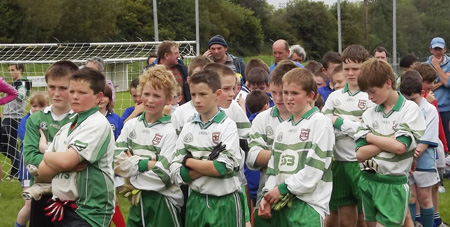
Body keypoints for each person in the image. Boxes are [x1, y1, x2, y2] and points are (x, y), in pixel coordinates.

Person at [32, 67, 115, 226]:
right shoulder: (66, 127)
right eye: (72, 91)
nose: (75, 97)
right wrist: (58, 161)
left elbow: (65, 162)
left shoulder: (97, 124)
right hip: (62, 206)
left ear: (98, 97)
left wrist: (48, 155)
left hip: (89, 211)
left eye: (82, 93)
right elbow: (42, 172)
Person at [258, 68, 334, 226]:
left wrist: (283, 188)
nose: (288, 98)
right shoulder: (282, 127)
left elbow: (314, 169)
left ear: (310, 96)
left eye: (295, 93)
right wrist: (267, 195)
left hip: (308, 206)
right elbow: (273, 169)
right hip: (279, 204)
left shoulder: (320, 122)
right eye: (285, 92)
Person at [355, 58, 426, 227]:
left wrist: (370, 137)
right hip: (367, 179)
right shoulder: (369, 113)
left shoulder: (409, 110)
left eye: (373, 92)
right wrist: (389, 140)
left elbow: (400, 147)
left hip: (392, 184)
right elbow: (360, 154)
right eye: (367, 93)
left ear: (388, 83)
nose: (370, 97)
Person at [170, 69, 243, 227]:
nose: (197, 100)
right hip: (196, 200)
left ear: (217, 94)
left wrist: (188, 161)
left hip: (225, 201)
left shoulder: (228, 125)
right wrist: (207, 163)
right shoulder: (188, 127)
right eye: (193, 94)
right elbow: (175, 172)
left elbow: (221, 168)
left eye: (202, 94)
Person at [114, 65, 182, 227]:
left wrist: (133, 166)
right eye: (146, 94)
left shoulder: (171, 131)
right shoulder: (131, 126)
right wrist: (148, 163)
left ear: (168, 99)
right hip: (137, 202)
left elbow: (164, 176)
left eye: (156, 96)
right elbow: (115, 162)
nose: (150, 100)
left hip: (163, 202)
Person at [23, 61, 78, 227]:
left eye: (63, 88)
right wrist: (67, 162)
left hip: (74, 196)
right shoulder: (35, 119)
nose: (56, 93)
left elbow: (84, 162)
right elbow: (32, 161)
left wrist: (46, 152)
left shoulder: (83, 120)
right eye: (51, 87)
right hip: (42, 195)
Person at [322, 44, 372, 227]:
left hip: (363, 163)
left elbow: (366, 130)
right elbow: (324, 124)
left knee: (367, 216)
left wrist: (339, 121)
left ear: (365, 67)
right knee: (345, 219)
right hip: (340, 163)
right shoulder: (334, 97)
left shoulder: (370, 95)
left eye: (355, 69)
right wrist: (352, 126)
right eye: (347, 69)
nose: (350, 73)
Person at [247, 60, 299, 227]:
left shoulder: (313, 120)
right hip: (267, 196)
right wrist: (293, 156)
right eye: (274, 92)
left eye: (283, 92)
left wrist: (269, 157)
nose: (278, 98)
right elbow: (253, 158)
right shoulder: (262, 119)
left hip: (301, 198)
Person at [400, 70, 439, 227]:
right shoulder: (402, 109)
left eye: (414, 100)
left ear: (422, 93)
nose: (410, 104)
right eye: (406, 100)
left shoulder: (430, 110)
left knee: (424, 198)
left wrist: (413, 157)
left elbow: (427, 138)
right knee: (410, 198)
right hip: (404, 161)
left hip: (424, 161)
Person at [15, 92, 48, 227]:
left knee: (42, 202)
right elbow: (28, 140)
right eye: (34, 106)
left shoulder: (48, 120)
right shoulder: (26, 120)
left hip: (44, 163)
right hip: (27, 165)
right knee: (29, 203)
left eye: (41, 106)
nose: (37, 109)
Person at [2, 63, 31, 179]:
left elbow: (21, 96)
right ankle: (19, 164)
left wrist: (9, 90)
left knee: (11, 144)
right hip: (7, 117)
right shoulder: (14, 84)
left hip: (14, 117)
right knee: (5, 145)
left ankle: (15, 171)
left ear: (20, 70)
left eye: (13, 70)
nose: (10, 72)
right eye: (9, 70)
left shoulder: (23, 82)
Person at [428, 37, 450, 152]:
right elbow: (426, 86)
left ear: (445, 49)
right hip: (431, 108)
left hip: (447, 110)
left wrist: (437, 67)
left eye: (440, 49)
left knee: (447, 140)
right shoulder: (426, 65)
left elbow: (448, 83)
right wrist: (442, 80)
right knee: (434, 140)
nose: (438, 52)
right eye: (435, 49)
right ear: (431, 50)